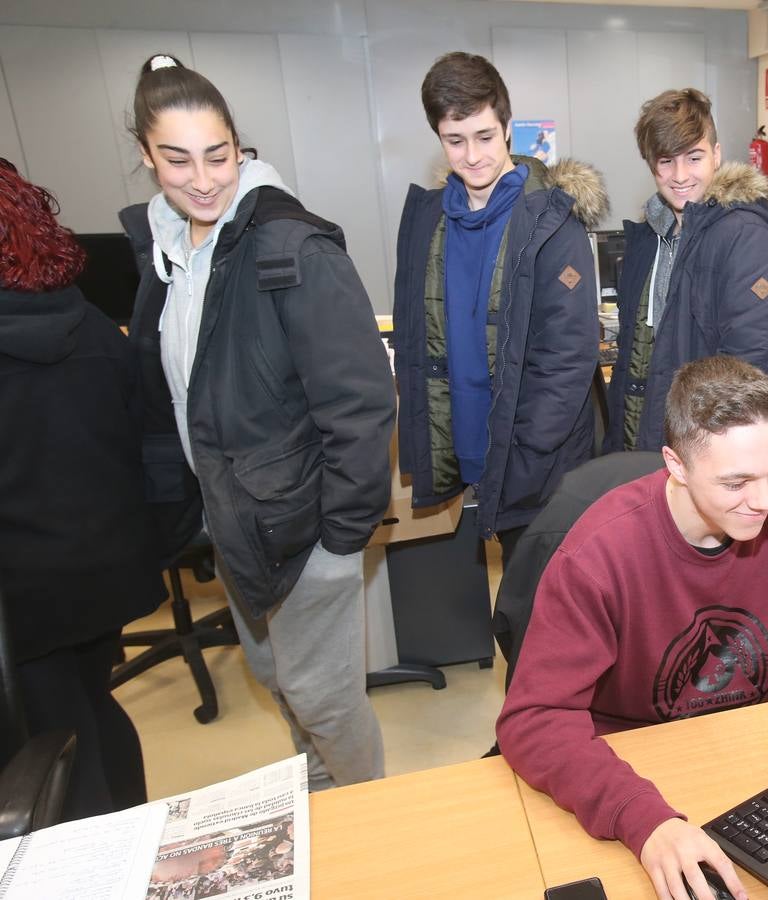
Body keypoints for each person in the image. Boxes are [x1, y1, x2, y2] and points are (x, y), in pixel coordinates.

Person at [497, 355, 768, 900]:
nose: (765, 501)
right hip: (628, 764)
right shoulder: (599, 554)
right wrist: (643, 820)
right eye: (736, 482)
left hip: (749, 761)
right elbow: (533, 719)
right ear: (676, 465)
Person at [123, 54, 394, 789]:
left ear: (241, 145)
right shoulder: (170, 251)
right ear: (146, 156)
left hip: (304, 522)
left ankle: (372, 822)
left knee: (323, 696)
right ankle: (322, 789)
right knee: (276, 675)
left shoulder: (290, 247)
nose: (204, 178)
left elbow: (362, 402)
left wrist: (342, 541)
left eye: (220, 154)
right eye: (177, 159)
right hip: (238, 517)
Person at [392, 52, 605, 565]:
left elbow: (568, 357)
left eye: (485, 137)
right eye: (454, 140)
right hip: (463, 444)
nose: (472, 156)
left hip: (535, 457)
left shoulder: (551, 219)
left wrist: (523, 452)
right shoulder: (428, 220)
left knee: (541, 610)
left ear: (508, 127)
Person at [0, 159, 165, 822]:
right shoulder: (92, 323)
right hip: (106, 567)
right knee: (93, 707)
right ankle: (132, 835)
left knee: (46, 748)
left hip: (24, 590)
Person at [603, 88, 768, 454]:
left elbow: (754, 377)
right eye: (666, 161)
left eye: (693, 157)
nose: (680, 175)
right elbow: (634, 356)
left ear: (716, 155)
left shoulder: (744, 238)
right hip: (641, 444)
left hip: (701, 454)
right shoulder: (648, 238)